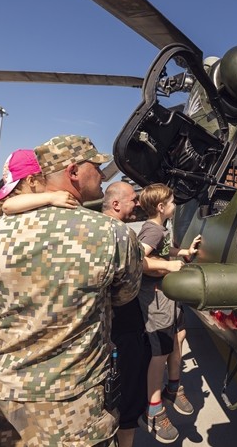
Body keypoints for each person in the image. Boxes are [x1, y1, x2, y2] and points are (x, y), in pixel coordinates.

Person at [0, 135, 143, 446]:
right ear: (73, 171)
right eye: (96, 167)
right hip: (75, 405)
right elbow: (124, 295)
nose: (102, 175)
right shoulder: (112, 234)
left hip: (4, 398)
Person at [137, 183, 201, 444]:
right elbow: (139, 260)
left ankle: (173, 388)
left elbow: (163, 250)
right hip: (156, 300)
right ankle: (154, 409)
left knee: (180, 334)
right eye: (173, 202)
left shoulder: (160, 230)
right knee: (159, 353)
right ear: (161, 207)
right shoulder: (152, 230)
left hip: (167, 298)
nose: (175, 206)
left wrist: (182, 253)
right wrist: (169, 265)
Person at [101, 181, 149, 447]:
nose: (137, 204)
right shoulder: (122, 234)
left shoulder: (87, 229)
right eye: (133, 199)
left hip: (97, 329)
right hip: (124, 326)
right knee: (127, 393)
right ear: (117, 204)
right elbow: (128, 290)